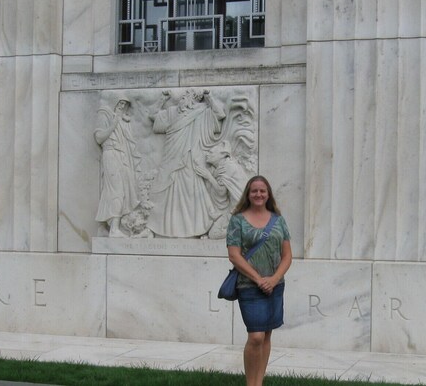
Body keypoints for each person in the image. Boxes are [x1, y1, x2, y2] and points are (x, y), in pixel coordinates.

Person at [226, 175, 292, 386]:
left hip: (275, 287)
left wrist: (274, 279)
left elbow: (287, 255)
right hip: (249, 286)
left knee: (266, 335)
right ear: (248, 194)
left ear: (268, 194)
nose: (258, 194)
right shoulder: (237, 220)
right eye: (254, 191)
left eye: (262, 191)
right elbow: (234, 255)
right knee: (255, 336)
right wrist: (258, 279)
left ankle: (259, 382)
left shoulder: (278, 220)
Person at [151, 88, 226, 237]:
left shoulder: (201, 112)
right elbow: (153, 116)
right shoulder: (172, 113)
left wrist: (209, 97)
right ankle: (167, 229)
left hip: (189, 161)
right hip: (171, 160)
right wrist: (162, 99)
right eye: (182, 98)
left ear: (192, 101)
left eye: (185, 98)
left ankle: (194, 230)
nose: (182, 100)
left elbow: (220, 114)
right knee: (167, 194)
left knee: (191, 197)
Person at [94, 92, 140, 237]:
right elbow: (99, 137)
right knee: (116, 190)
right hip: (110, 153)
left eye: (124, 105)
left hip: (121, 156)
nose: (122, 106)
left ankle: (106, 226)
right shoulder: (104, 114)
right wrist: (114, 123)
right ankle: (114, 229)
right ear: (114, 102)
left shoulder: (121, 118)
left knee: (123, 192)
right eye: (120, 103)